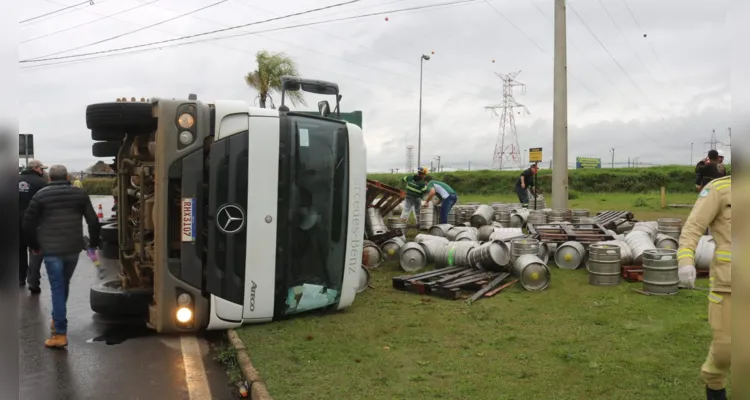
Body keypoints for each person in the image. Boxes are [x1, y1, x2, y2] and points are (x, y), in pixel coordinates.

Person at [23, 164, 101, 349]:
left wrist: (34, 246)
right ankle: (57, 320)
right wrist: (94, 243)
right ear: (66, 176)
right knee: (63, 285)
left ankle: (59, 333)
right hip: (72, 249)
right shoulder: (79, 194)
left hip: (51, 251)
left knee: (58, 288)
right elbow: (93, 220)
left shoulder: (40, 196)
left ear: (49, 178)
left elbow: (28, 223)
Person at [676, 175, 731, 400]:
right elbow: (691, 229)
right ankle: (715, 387)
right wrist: (686, 261)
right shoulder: (719, 189)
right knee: (724, 353)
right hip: (728, 287)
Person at [18, 160, 48, 291]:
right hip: (34, 220)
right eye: (41, 169)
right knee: (35, 249)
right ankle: (33, 280)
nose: (43, 171)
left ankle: (20, 278)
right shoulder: (41, 183)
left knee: (19, 248)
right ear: (35, 169)